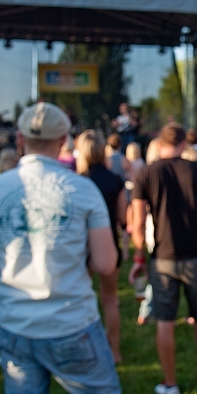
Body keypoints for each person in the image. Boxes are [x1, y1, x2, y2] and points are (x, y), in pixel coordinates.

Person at [0, 103, 130, 394]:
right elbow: (105, 263)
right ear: (63, 140)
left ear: (19, 138)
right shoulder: (82, 189)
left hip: (16, 324)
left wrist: (8, 298)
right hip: (72, 321)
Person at [129, 123, 197, 394]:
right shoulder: (195, 169)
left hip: (163, 256)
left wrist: (139, 256)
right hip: (196, 255)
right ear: (182, 143)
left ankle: (170, 383)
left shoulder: (146, 173)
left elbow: (139, 224)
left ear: (159, 142)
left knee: (165, 320)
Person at [76, 129, 128, 364]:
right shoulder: (115, 180)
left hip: (80, 246)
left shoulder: (77, 182)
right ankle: (114, 352)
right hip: (109, 244)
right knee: (110, 299)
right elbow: (122, 217)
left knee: (79, 299)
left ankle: (82, 350)